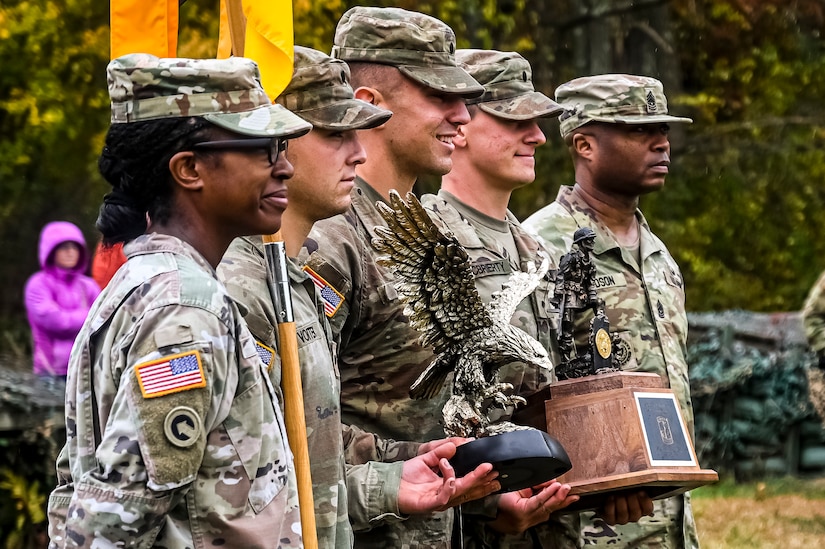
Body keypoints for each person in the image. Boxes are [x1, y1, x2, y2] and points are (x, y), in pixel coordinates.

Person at [217, 46, 499, 549]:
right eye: (332, 134)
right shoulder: (242, 287)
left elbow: (311, 434)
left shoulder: (291, 280)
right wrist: (388, 484)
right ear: (272, 144)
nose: (359, 151)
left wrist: (406, 464)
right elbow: (240, 489)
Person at [46, 53, 315, 548]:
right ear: (189, 168)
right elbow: (114, 519)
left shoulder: (148, 286)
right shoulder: (185, 308)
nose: (286, 167)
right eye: (263, 149)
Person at [303, 6, 486, 547]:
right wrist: (396, 473)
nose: (463, 117)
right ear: (368, 105)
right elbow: (293, 420)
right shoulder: (327, 237)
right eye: (439, 97)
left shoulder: (427, 226)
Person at [523, 74, 698, 548]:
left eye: (662, 130)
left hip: (672, 518)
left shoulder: (657, 253)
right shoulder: (538, 249)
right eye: (639, 131)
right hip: (591, 526)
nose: (661, 143)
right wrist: (597, 475)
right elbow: (524, 394)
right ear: (585, 144)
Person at [420, 48, 579, 549]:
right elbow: (410, 405)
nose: (536, 136)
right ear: (461, 125)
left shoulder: (536, 249)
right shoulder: (428, 240)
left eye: (537, 123)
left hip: (544, 517)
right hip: (461, 520)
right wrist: (484, 504)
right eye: (515, 121)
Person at [24, 220, 100, 377]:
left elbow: (105, 319)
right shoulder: (38, 284)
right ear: (51, 251)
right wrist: (89, 315)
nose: (71, 252)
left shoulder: (88, 285)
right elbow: (56, 321)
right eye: (64, 247)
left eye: (75, 247)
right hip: (49, 373)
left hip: (84, 369)